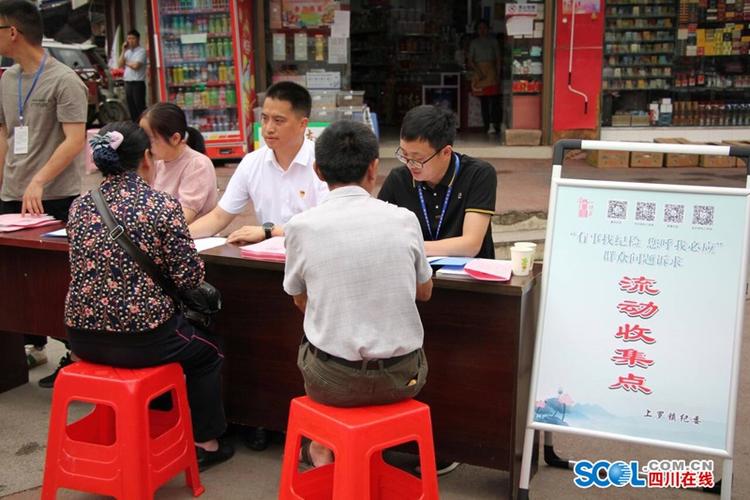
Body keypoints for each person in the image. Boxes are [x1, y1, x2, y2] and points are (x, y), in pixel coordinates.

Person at [64, 121, 234, 471]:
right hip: (144, 339)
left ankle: (146, 426)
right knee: (209, 351)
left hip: (81, 339)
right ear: (146, 158)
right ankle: (206, 441)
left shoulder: (79, 206)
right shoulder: (160, 205)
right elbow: (189, 276)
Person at [283, 120, 433, 467]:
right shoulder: (404, 219)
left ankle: (323, 448)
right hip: (403, 377)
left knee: (311, 341)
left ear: (319, 171)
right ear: (373, 168)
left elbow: (298, 298)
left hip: (331, 382)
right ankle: (365, 450)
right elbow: (424, 292)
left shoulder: (301, 227)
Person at [0, 0, 87, 385]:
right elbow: (4, 133)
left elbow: (75, 139)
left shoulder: (65, 79)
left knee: (59, 284)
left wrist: (39, 180)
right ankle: (20, 355)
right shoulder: (6, 79)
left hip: (54, 197)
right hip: (11, 195)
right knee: (15, 282)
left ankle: (72, 353)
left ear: (12, 32)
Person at [189, 81, 328, 244]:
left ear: (302, 124)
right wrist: (175, 237)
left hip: (312, 255)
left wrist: (268, 231)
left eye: (278, 121)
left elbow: (326, 225)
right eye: (264, 118)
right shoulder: (251, 162)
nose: (268, 128)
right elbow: (219, 216)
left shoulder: (323, 162)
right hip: (267, 261)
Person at [378, 105, 497, 259]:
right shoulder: (398, 179)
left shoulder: (478, 174)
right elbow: (377, 231)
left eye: (418, 159)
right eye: (404, 155)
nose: (409, 164)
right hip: (419, 278)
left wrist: (408, 246)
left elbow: (470, 245)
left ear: (446, 152)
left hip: (467, 278)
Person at [140, 102, 217, 223]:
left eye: (150, 139)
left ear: (175, 138)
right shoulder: (158, 163)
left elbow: (184, 216)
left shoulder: (197, 164)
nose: (145, 145)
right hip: (165, 234)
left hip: (193, 238)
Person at [468, 19, 501, 135]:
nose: (482, 30)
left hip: (491, 71)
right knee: (484, 101)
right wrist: (478, 71)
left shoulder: (493, 41)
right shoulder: (474, 43)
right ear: (477, 30)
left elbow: (497, 59)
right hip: (479, 72)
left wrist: (497, 73)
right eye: (480, 28)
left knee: (494, 100)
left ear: (488, 29)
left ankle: (494, 124)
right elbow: (470, 60)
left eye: (484, 28)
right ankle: (486, 125)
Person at [118, 29, 147, 121]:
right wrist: (123, 50)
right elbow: (119, 64)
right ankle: (134, 124)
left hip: (138, 83)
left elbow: (136, 66)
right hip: (128, 82)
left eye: (133, 38)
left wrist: (126, 62)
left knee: (139, 105)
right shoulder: (127, 52)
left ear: (138, 39)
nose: (130, 41)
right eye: (129, 39)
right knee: (131, 106)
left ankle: (143, 123)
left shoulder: (141, 51)